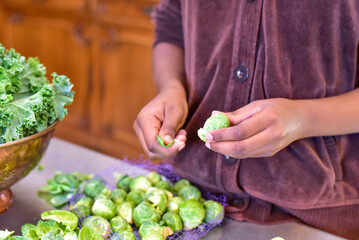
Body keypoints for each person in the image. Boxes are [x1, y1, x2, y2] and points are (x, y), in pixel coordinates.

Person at [133, 1, 359, 239]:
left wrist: (304, 118)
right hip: (187, 195)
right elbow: (172, 22)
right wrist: (171, 87)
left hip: (319, 218)